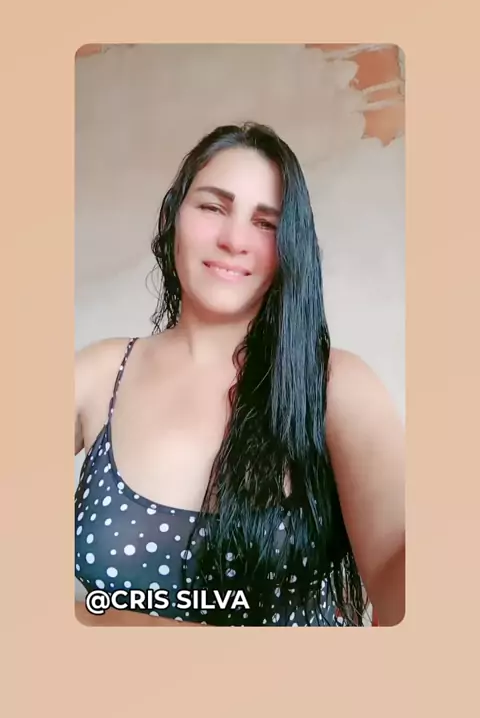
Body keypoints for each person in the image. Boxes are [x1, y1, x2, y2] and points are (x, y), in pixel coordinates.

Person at [74, 122, 405, 627]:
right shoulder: (98, 374)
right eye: (213, 207)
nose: (234, 240)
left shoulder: (335, 384)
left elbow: (398, 569)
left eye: (266, 223)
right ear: (174, 215)